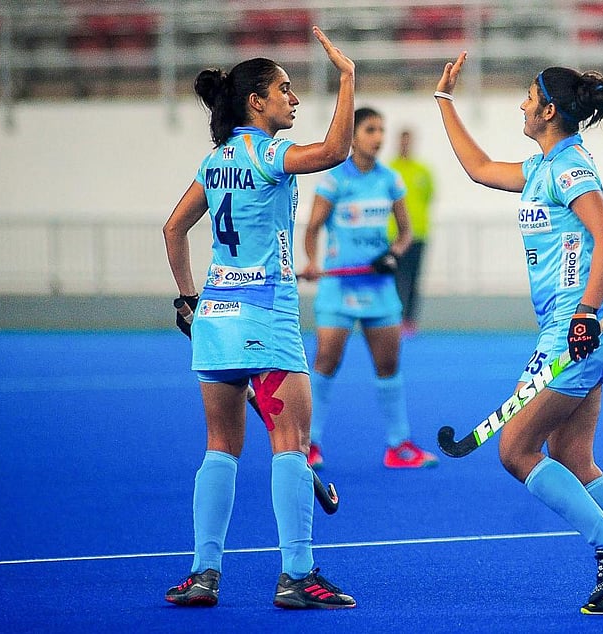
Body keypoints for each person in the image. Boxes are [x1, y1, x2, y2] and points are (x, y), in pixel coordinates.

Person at [433, 53, 603, 615]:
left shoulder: (571, 167)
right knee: (573, 458)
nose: (521, 104)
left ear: (550, 110)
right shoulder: (542, 167)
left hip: (575, 331)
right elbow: (480, 167)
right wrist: (444, 102)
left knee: (515, 450)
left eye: (528, 97)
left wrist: (585, 312)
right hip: (573, 330)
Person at [161, 26, 357, 610]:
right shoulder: (267, 152)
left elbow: (174, 230)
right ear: (256, 102)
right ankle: (298, 575)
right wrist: (347, 80)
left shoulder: (214, 160)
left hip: (216, 317)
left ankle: (202, 575)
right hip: (267, 316)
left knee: (220, 445)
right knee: (290, 443)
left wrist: (188, 300)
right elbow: (335, 152)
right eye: (286, 90)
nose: (293, 100)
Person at [298, 107, 439, 471]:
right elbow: (312, 229)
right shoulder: (333, 181)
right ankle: (308, 444)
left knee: (389, 366)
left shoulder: (390, 180)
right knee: (326, 364)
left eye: (381, 130)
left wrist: (392, 254)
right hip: (338, 290)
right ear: (354, 136)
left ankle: (398, 446)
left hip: (378, 290)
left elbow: (405, 233)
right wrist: (313, 262)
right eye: (370, 129)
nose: (378, 137)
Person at [388, 128, 435, 336]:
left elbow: (428, 196)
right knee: (395, 279)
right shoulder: (390, 170)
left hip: (418, 234)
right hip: (393, 235)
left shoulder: (423, 171)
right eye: (402, 141)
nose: (405, 145)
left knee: (414, 279)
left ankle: (409, 320)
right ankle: (393, 319)